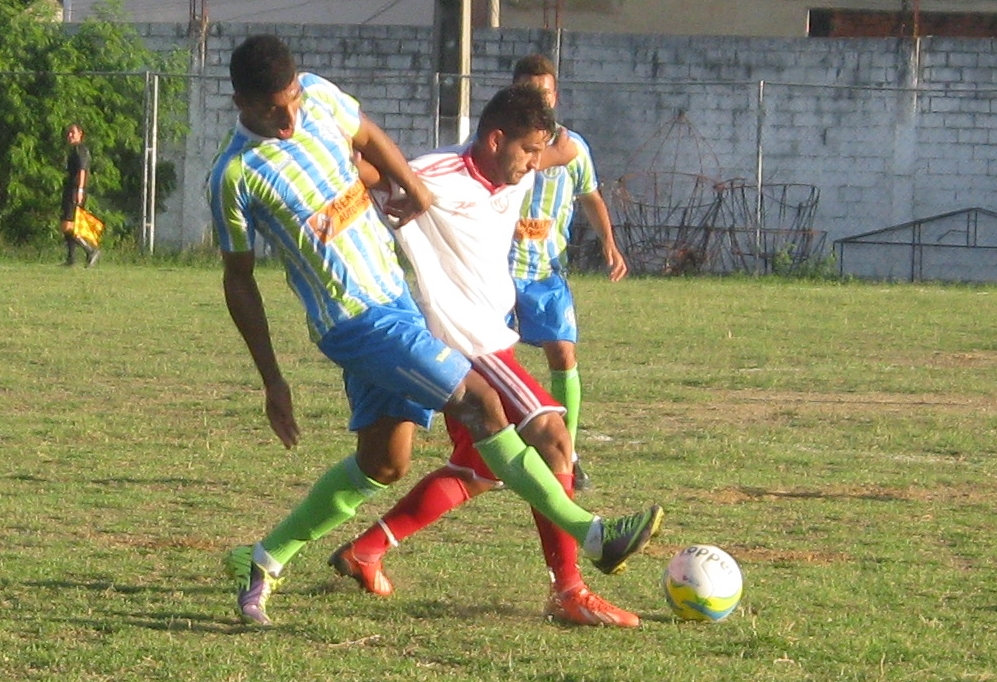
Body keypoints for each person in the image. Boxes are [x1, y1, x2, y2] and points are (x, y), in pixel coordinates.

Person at [206, 34, 663, 626]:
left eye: (293, 97)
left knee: (384, 463)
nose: (292, 116)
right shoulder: (234, 174)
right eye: (275, 108)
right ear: (240, 100)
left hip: (398, 301)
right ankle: (592, 534)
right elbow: (238, 279)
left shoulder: (319, 96)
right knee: (482, 403)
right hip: (353, 320)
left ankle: (263, 557)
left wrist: (411, 187)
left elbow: (365, 131)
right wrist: (271, 379)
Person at [329, 84, 650, 628]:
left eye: (536, 153)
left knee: (478, 472)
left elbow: (565, 149)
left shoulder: (516, 166)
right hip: (467, 341)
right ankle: (570, 589)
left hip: (485, 335)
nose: (531, 165)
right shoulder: (434, 176)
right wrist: (335, 159)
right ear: (496, 138)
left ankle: (366, 550)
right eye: (525, 152)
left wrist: (555, 142)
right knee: (552, 436)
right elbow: (370, 172)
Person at [509, 55, 628, 489]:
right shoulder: (499, 144)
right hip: (496, 272)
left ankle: (567, 453)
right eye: (527, 92)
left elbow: (591, 196)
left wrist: (609, 242)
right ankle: (494, 449)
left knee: (563, 352)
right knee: (490, 364)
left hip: (544, 271)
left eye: (542, 92)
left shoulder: (573, 147)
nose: (536, 100)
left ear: (554, 97)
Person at [60, 123, 100, 267]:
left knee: (68, 226)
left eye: (73, 133)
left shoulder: (80, 150)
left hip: (75, 190)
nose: (69, 136)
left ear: (80, 134)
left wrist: (80, 190)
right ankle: (71, 259)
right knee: (66, 224)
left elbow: (83, 170)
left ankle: (91, 250)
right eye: (68, 133)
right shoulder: (74, 150)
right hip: (70, 189)